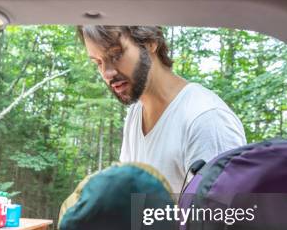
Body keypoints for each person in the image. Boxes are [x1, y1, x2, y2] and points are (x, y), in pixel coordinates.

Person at [77, 25, 246, 194]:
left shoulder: (206, 118)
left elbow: (219, 216)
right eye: (98, 62)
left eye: (116, 54)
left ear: (150, 42)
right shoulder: (135, 113)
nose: (106, 73)